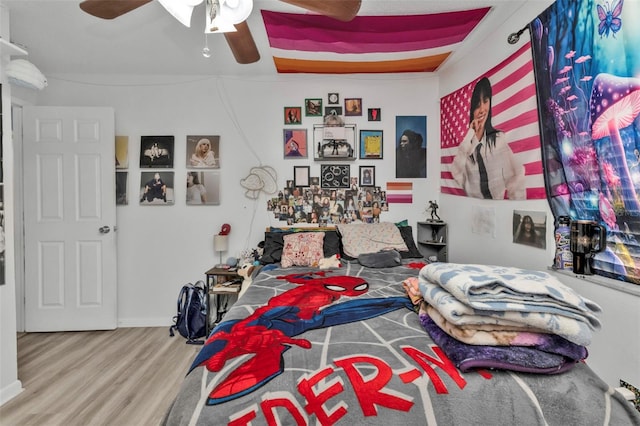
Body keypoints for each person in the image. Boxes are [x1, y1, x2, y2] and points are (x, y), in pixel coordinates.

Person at [450, 77, 525, 199]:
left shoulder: (498, 139)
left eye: (485, 101)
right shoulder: (468, 147)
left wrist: (514, 204)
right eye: (477, 105)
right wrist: (470, 133)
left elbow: (517, 174)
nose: (482, 110)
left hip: (497, 208)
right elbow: (455, 171)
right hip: (473, 208)